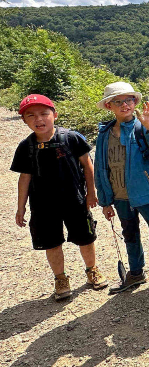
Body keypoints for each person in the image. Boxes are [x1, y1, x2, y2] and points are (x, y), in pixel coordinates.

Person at [12, 94, 107, 301]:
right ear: (24, 120)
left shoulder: (71, 138)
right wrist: (21, 208)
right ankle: (60, 278)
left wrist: (91, 193)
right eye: (31, 115)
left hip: (75, 200)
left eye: (44, 114)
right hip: (43, 206)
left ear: (54, 115)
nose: (39, 120)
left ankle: (92, 270)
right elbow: (24, 178)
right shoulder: (25, 147)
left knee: (86, 238)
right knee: (52, 243)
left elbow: (87, 166)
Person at [94, 82, 149, 300]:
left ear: (135, 103)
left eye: (129, 100)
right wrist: (105, 201)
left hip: (147, 193)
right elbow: (101, 169)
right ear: (109, 105)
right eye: (118, 101)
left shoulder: (142, 128)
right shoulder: (104, 134)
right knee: (130, 235)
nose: (124, 105)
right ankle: (136, 272)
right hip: (120, 197)